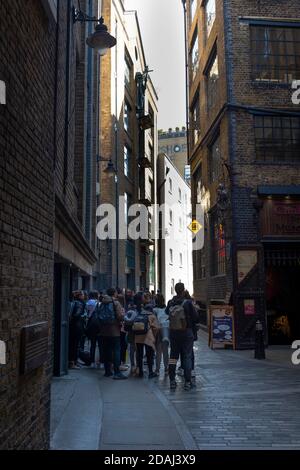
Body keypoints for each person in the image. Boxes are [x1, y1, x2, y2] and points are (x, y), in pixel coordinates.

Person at [166, 283, 199, 391]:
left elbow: (167, 312)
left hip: (174, 332)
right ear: (183, 290)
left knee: (173, 357)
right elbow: (196, 317)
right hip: (186, 332)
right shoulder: (187, 303)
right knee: (187, 356)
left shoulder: (170, 302)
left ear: (175, 290)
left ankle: (172, 381)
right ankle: (188, 382)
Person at [99, 288, 127, 380]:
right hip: (114, 330)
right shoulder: (116, 303)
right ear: (114, 293)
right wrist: (123, 317)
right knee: (116, 350)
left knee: (107, 350)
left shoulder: (102, 302)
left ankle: (107, 371)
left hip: (103, 330)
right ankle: (117, 372)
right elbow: (119, 316)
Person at [133, 292, 159, 379]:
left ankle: (140, 371)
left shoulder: (137, 312)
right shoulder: (151, 315)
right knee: (149, 355)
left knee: (139, 354)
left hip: (138, 336)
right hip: (148, 337)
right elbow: (156, 328)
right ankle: (151, 372)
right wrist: (154, 336)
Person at [69, 290, 86, 369]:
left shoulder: (73, 302)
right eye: (82, 295)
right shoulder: (79, 304)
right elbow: (77, 314)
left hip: (73, 326)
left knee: (74, 344)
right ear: (79, 296)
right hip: (77, 326)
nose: (84, 296)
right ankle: (73, 362)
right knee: (75, 345)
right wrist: (83, 316)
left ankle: (74, 361)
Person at [86, 290, 103, 369]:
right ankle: (100, 361)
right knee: (100, 345)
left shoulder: (88, 302)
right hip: (98, 325)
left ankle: (92, 361)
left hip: (91, 324)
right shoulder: (98, 303)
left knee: (92, 344)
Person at [153, 294, 169, 376]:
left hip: (158, 330)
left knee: (158, 351)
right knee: (165, 350)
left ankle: (157, 369)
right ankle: (166, 368)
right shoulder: (167, 309)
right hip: (166, 330)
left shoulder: (154, 310)